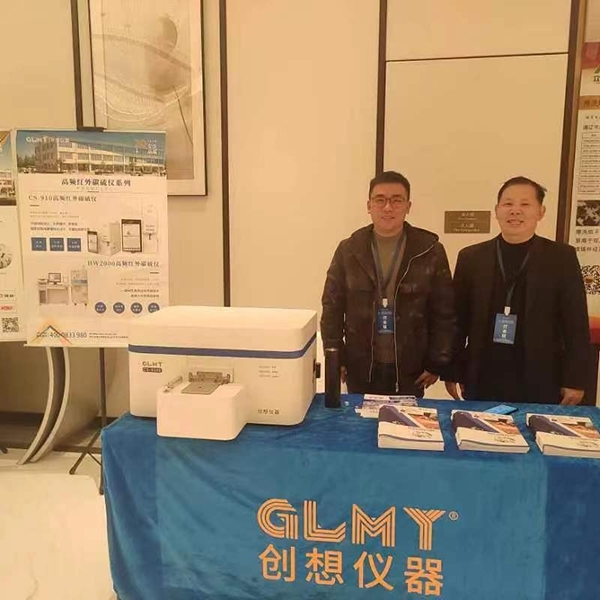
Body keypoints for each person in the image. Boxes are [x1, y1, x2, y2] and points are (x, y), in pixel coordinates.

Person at [445, 176, 591, 405]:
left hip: (541, 377)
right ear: (497, 210)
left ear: (540, 212)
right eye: (508, 203)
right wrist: (453, 369)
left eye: (525, 204)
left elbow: (576, 324)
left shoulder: (561, 258)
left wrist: (575, 379)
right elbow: (458, 320)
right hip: (483, 375)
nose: (515, 210)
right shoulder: (471, 257)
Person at [320, 171, 456, 397]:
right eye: (380, 200)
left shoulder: (429, 249)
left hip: (412, 367)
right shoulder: (349, 249)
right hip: (360, 364)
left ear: (408, 206)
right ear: (369, 205)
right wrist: (335, 356)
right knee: (360, 419)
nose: (387, 207)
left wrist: (437, 361)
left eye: (396, 200)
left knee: (404, 420)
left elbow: (444, 311)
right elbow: (332, 307)